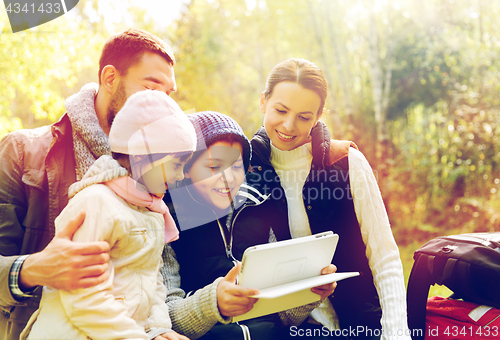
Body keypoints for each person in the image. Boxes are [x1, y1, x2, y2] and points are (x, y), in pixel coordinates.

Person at [0, 28, 177, 340]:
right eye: (151, 89)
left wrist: (162, 329)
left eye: (168, 96)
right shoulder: (20, 152)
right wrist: (31, 269)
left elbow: (155, 277)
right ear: (109, 79)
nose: (161, 105)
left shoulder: (160, 172)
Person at [240, 58, 411, 339]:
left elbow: (385, 257)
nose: (288, 125)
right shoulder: (242, 171)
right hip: (288, 331)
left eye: (304, 117)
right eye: (280, 110)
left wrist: (395, 332)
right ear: (263, 101)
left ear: (318, 117)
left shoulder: (346, 161)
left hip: (362, 324)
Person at [21, 90, 195, 340]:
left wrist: (158, 330)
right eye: (177, 165)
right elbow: (84, 297)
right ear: (143, 156)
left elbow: (152, 281)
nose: (181, 176)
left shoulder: (151, 211)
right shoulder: (96, 203)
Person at [161, 111, 337, 340]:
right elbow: (164, 316)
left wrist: (308, 295)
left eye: (236, 167)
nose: (228, 178)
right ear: (186, 168)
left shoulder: (258, 208)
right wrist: (213, 303)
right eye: (214, 167)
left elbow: (281, 317)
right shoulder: (165, 221)